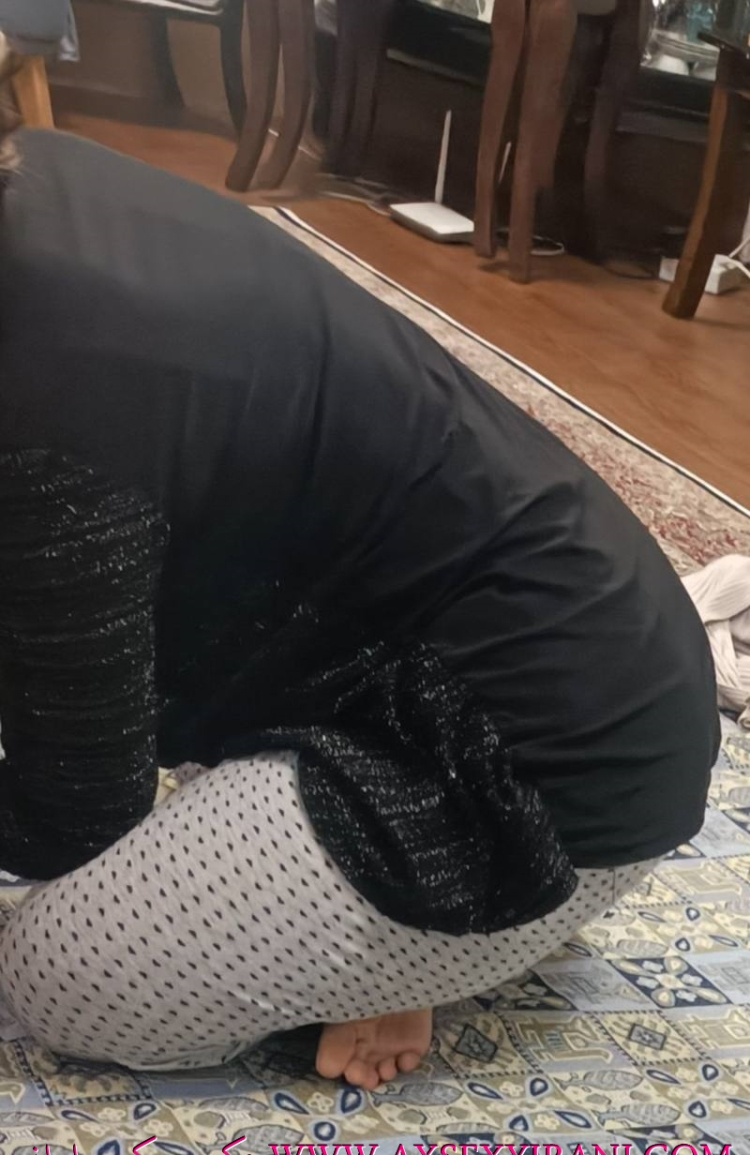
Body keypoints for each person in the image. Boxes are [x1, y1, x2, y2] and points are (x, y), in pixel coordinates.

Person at [0, 39, 718, 1088]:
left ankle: (383, 959)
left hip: (533, 785)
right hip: (471, 667)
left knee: (58, 977)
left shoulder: (47, 391)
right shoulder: (39, 173)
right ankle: (347, 932)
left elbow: (78, 813)